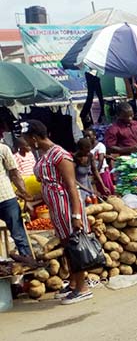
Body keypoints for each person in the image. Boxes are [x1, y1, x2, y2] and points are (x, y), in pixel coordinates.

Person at [22, 120, 91, 304]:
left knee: (75, 247)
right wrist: (35, 201)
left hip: (67, 207)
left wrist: (76, 216)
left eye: (27, 139)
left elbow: (71, 187)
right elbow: (48, 184)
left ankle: (82, 288)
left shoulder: (60, 155)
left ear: (35, 138)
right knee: (67, 247)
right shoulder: (45, 155)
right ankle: (74, 283)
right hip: (56, 209)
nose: (26, 143)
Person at [0, 135, 33, 259]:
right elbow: (15, 174)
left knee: (18, 234)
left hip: (7, 196)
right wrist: (24, 195)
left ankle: (27, 261)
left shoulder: (3, 149)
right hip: (7, 197)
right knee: (18, 234)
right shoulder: (3, 149)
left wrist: (24, 196)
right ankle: (27, 261)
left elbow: (15, 174)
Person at [74, 138, 109, 203]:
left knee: (91, 203)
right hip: (78, 187)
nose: (87, 153)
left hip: (87, 184)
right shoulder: (74, 159)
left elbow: (95, 170)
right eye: (86, 151)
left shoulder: (90, 156)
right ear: (80, 150)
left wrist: (103, 185)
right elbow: (72, 179)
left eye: (89, 150)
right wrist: (88, 190)